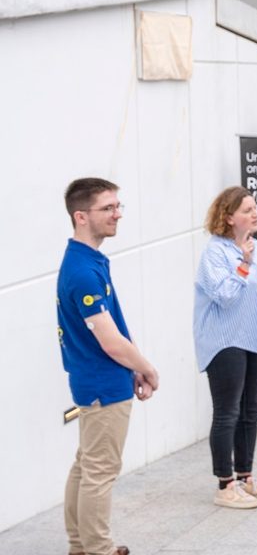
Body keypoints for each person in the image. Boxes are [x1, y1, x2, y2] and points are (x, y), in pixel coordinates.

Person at [58, 178, 160, 555]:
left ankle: (80, 545)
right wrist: (147, 367)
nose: (117, 214)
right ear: (80, 216)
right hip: (102, 384)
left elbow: (111, 330)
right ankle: (96, 549)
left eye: (119, 206)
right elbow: (108, 339)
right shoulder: (83, 271)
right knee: (99, 471)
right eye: (108, 208)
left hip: (99, 379)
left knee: (86, 466)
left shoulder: (88, 261)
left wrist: (131, 366)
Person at [194, 187, 257, 508]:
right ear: (228, 217)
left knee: (250, 411)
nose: (256, 214)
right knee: (227, 413)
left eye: (255, 208)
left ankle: (245, 476)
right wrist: (244, 265)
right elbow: (224, 294)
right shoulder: (216, 252)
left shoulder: (254, 247)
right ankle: (225, 485)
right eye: (248, 209)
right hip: (225, 342)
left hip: (255, 338)